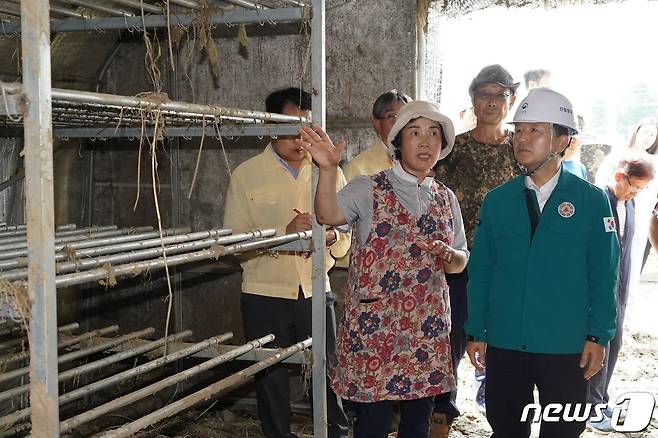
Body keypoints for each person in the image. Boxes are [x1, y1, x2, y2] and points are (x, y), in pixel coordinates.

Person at [297, 100, 469, 438]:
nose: (425, 142)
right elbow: (328, 215)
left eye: (433, 134)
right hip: (376, 330)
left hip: (426, 329)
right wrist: (328, 170)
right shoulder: (369, 188)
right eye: (415, 133)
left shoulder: (446, 198)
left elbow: (462, 259)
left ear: (442, 145)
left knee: (417, 424)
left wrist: (449, 255)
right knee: (372, 425)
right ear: (398, 143)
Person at [465, 87, 620, 438]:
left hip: (566, 346)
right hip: (506, 342)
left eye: (535, 130)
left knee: (564, 430)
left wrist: (599, 335)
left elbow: (604, 275)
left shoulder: (592, 202)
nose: (522, 138)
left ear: (562, 139)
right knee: (506, 428)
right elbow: (482, 271)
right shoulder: (497, 202)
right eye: (519, 130)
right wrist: (476, 330)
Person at [223, 87, 350, 438]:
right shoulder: (246, 174)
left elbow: (344, 237)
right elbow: (235, 242)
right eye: (289, 128)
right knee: (270, 376)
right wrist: (284, 233)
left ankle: (334, 434)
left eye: (306, 129)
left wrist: (330, 237)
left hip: (315, 289)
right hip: (265, 292)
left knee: (328, 373)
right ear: (268, 126)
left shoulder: (329, 171)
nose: (299, 139)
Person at [433, 64, 519, 426]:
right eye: (485, 93)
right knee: (448, 345)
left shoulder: (522, 150)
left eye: (500, 94)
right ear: (473, 98)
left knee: (504, 349)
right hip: (458, 265)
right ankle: (441, 416)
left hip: (508, 269)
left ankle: (504, 418)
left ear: (510, 101)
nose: (492, 101)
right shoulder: (452, 151)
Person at [587, 155, 655, 433]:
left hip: (621, 288)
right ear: (618, 177)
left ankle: (602, 399)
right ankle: (589, 408)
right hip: (601, 290)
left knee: (614, 345)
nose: (636, 192)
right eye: (634, 186)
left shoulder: (630, 203)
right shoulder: (598, 201)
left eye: (641, 189)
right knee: (597, 347)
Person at [336, 90, 411, 269]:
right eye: (393, 116)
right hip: (369, 267)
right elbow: (340, 224)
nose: (400, 122)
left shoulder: (423, 165)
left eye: (407, 117)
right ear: (376, 123)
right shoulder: (358, 168)